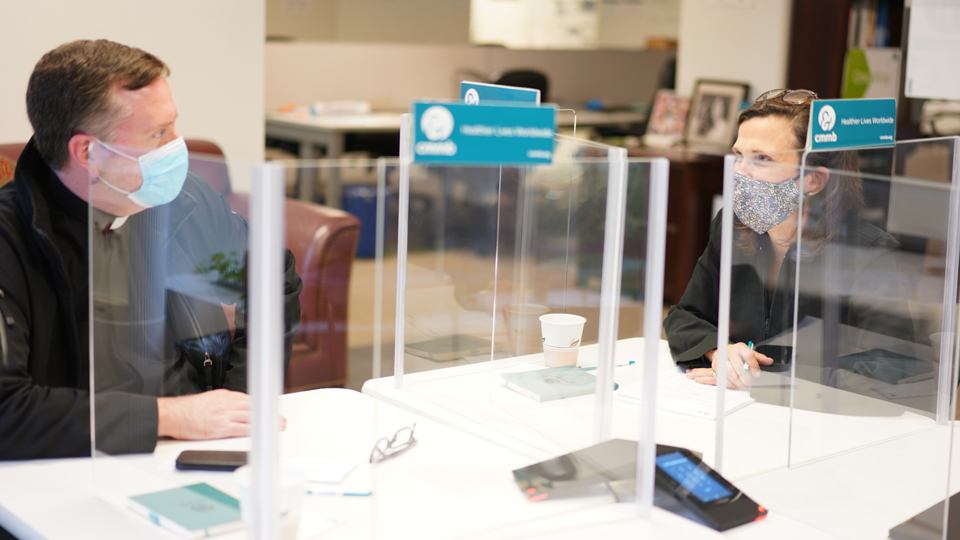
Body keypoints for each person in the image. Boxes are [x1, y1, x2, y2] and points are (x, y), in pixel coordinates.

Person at [0, 39, 302, 459]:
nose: (177, 146)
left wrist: (240, 399)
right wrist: (170, 418)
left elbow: (271, 278)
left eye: (173, 125)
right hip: (70, 466)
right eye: (158, 134)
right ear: (87, 152)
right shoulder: (10, 241)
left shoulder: (183, 201)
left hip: (193, 456)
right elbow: (7, 409)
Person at [663, 88, 917, 389]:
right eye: (738, 155)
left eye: (762, 158)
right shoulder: (733, 227)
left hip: (825, 423)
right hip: (741, 411)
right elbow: (684, 316)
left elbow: (893, 364)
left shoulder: (870, 252)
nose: (741, 172)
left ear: (814, 179)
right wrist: (720, 352)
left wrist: (769, 380)